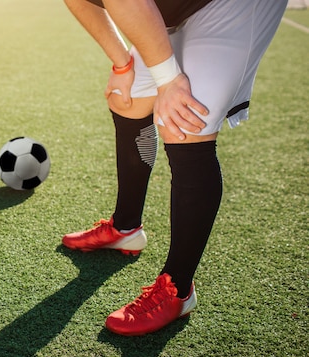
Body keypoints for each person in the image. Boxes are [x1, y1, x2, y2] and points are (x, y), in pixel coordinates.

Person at [62, 0, 286, 336]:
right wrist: (123, 66)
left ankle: (178, 288)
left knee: (184, 123)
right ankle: (126, 229)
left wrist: (169, 81)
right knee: (128, 99)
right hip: (173, 7)